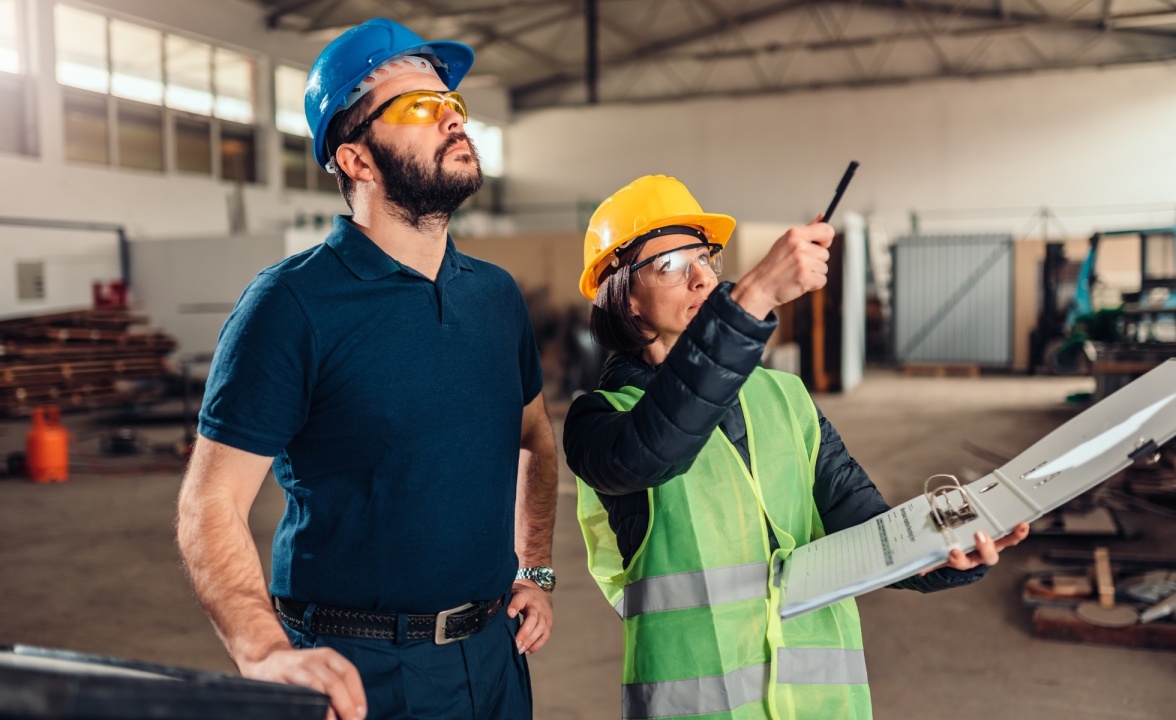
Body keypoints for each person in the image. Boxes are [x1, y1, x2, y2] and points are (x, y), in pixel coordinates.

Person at [176, 19, 558, 720]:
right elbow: (210, 503)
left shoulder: (496, 297)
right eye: (419, 106)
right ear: (356, 160)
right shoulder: (291, 305)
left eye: (454, 105)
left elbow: (536, 438)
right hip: (362, 673)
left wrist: (534, 569)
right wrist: (261, 650)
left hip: (497, 658)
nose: (450, 114)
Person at [565, 175, 1029, 720]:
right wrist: (751, 297)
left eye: (704, 259)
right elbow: (657, 447)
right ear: (626, 300)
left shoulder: (784, 396)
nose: (699, 279)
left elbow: (864, 527)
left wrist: (942, 555)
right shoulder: (600, 421)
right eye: (668, 265)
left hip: (818, 705)